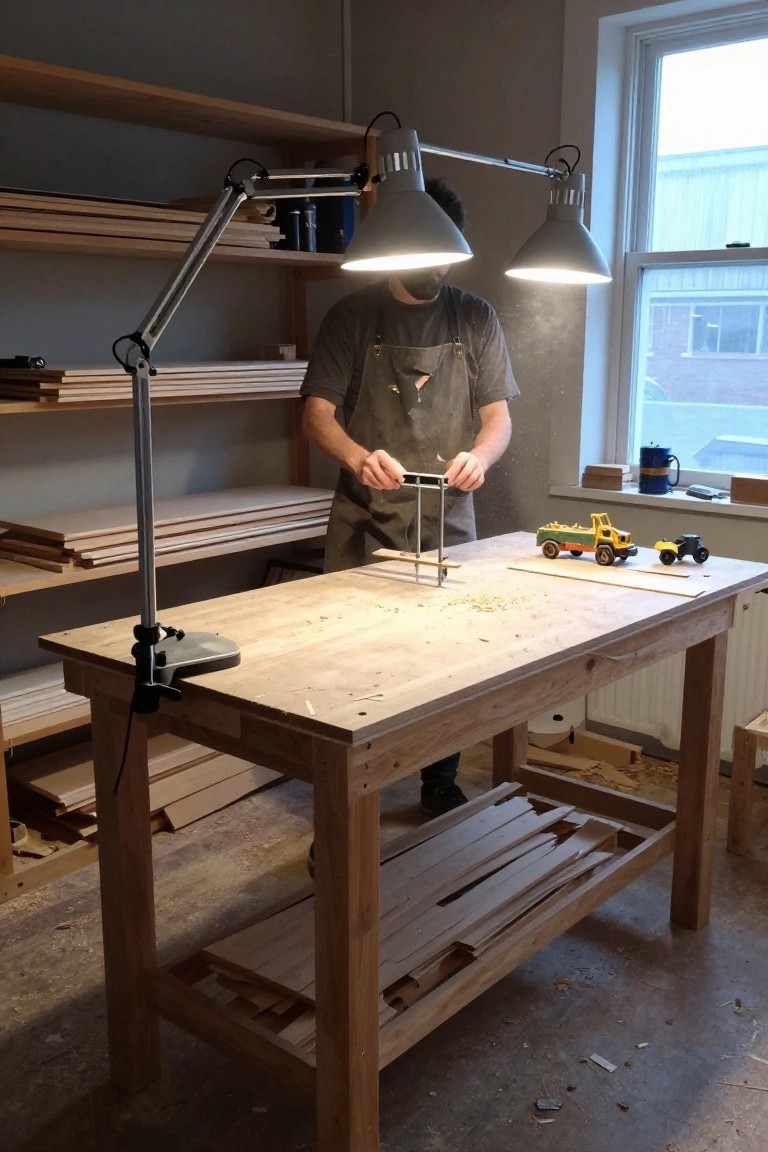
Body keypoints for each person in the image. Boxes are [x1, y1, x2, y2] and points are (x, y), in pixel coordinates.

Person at [300, 177, 519, 819]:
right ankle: (343, 807)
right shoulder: (352, 316)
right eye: (426, 260)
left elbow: (498, 418)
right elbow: (316, 414)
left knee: (447, 664)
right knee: (352, 671)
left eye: (446, 259)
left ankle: (438, 779)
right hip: (365, 522)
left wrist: (479, 456)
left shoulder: (475, 317)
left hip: (446, 522)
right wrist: (356, 456)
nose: (438, 271)